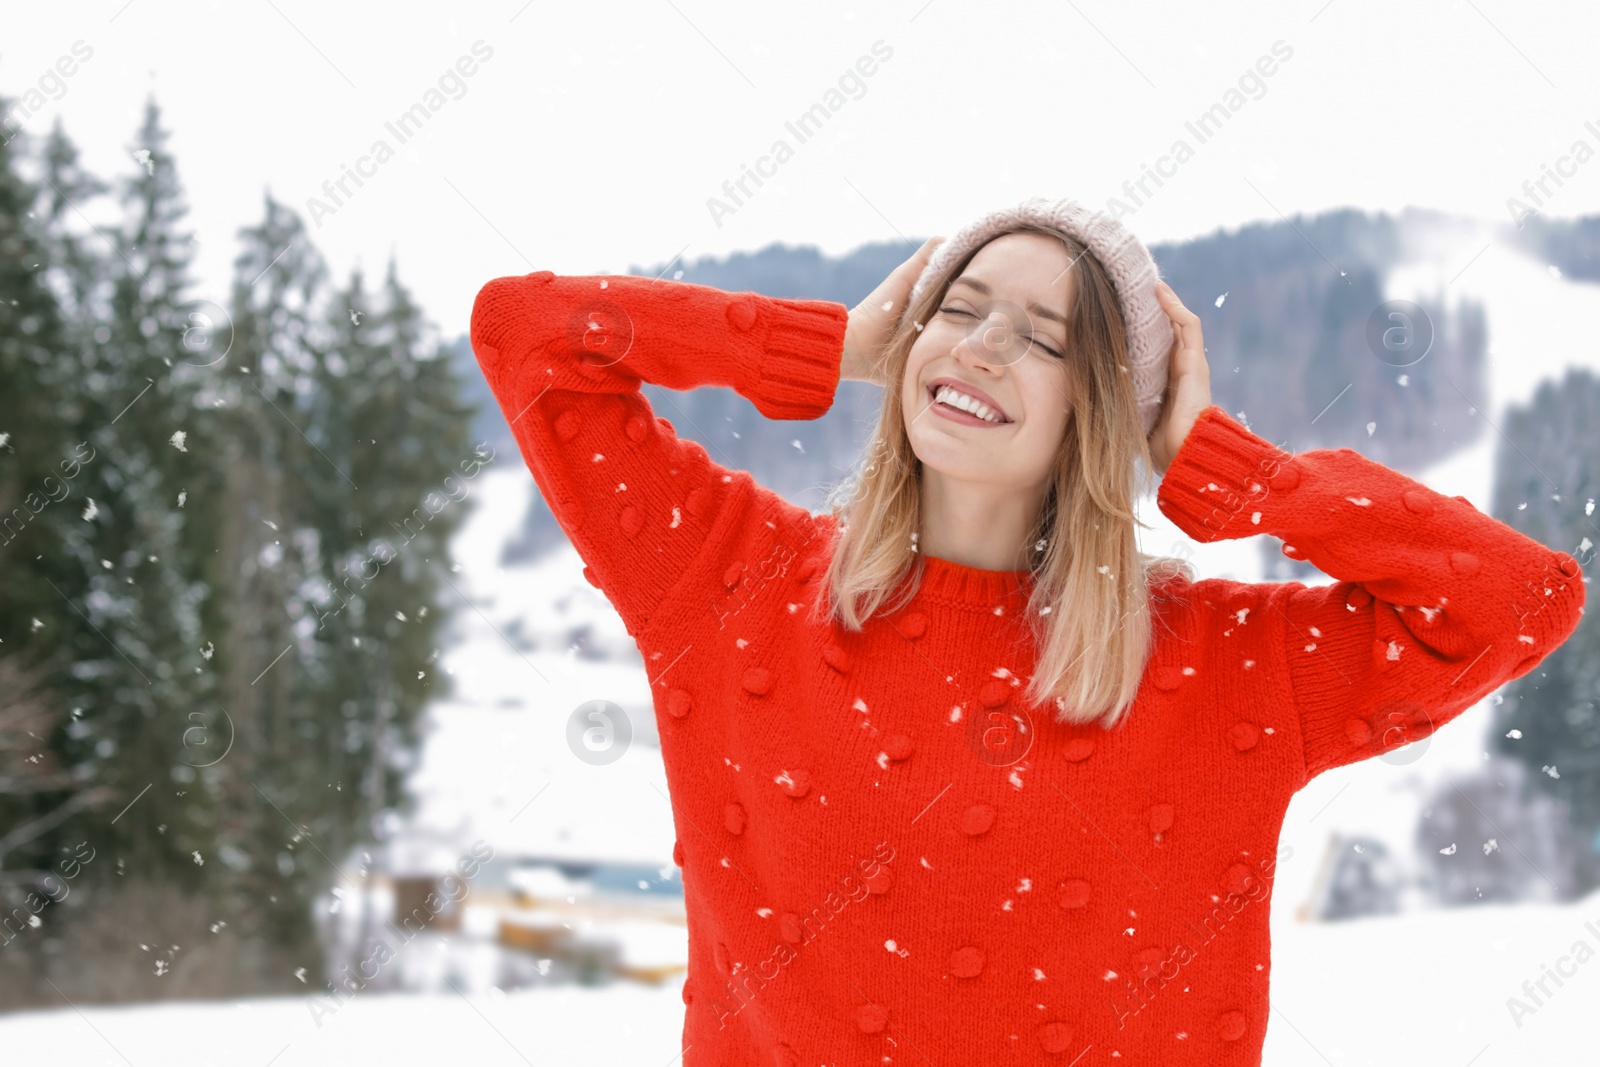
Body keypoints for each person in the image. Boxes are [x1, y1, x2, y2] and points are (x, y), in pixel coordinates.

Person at [468, 196, 1585, 1066]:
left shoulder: (1219, 662)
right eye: (954, 309)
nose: (980, 346)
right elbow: (525, 333)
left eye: (1044, 338)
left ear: (1105, 408)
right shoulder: (729, 580)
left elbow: (1517, 599)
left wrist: (1219, 466)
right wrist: (833, 343)